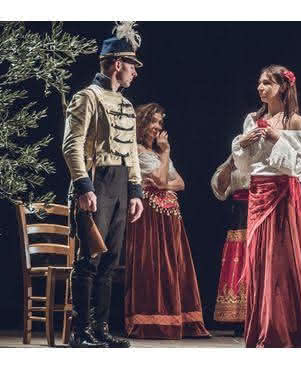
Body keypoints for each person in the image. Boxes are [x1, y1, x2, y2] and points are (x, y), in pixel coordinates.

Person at [62, 22, 144, 348]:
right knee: (89, 259)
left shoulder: (125, 105)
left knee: (109, 262)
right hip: (96, 183)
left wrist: (135, 191)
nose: (135, 73)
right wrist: (83, 186)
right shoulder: (87, 98)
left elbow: (131, 152)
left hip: (120, 185)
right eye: (132, 66)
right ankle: (81, 331)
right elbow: (72, 145)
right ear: (117, 63)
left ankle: (100, 330)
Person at [231, 65, 301, 347]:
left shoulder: (294, 120)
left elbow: (300, 164)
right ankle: (263, 324)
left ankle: (286, 327)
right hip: (258, 192)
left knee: (280, 261)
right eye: (259, 83)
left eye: (267, 83)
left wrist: (276, 138)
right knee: (259, 260)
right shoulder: (252, 119)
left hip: (283, 193)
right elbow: (245, 164)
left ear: (282, 87)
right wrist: (242, 143)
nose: (260, 88)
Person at [123, 103, 210, 339]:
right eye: (154, 122)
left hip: (170, 216)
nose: (158, 128)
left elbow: (180, 183)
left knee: (174, 265)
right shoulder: (138, 152)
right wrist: (166, 152)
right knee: (153, 264)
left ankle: (179, 317)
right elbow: (161, 180)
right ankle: (152, 320)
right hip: (150, 216)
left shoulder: (157, 155)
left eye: (161, 123)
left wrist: (163, 181)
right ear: (142, 123)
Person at [211, 154, 250, 335]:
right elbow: (220, 189)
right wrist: (230, 164)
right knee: (239, 259)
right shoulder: (237, 153)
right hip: (241, 212)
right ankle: (239, 317)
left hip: (264, 207)